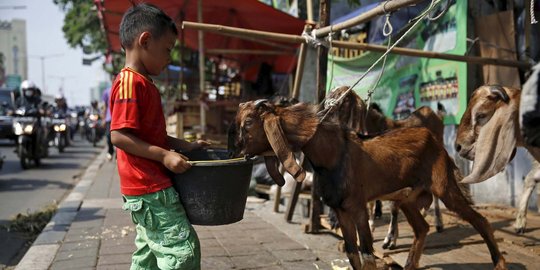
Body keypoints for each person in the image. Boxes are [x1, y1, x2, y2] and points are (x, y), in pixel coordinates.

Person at [110, 4, 208, 270]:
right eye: (167, 50)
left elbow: (153, 136)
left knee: (149, 255)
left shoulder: (144, 83)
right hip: (149, 187)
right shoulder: (130, 83)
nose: (169, 58)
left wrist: (184, 146)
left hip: (147, 189)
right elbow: (119, 136)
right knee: (182, 252)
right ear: (145, 40)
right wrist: (164, 156)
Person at [102, 87, 114, 160]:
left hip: (118, 118)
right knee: (109, 137)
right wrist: (103, 119)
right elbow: (105, 106)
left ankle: (118, 156)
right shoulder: (106, 91)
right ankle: (110, 151)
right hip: (109, 118)